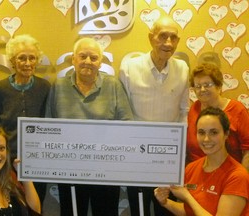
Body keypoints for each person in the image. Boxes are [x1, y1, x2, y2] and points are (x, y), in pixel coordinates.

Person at [46, 37, 133, 216]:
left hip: (106, 169)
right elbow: (48, 126)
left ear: (100, 63)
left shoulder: (113, 85)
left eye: (93, 58)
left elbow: (127, 125)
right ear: (73, 60)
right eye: (82, 56)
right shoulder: (59, 86)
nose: (88, 61)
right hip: (69, 169)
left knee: (106, 212)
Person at [119, 16, 189, 216]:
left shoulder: (183, 68)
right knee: (138, 207)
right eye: (162, 36)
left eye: (173, 38)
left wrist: (179, 147)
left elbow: (184, 110)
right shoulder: (130, 67)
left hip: (169, 156)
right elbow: (124, 113)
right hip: (137, 154)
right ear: (151, 38)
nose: (168, 43)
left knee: (166, 208)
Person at [0, 34, 51, 207]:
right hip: (7, 159)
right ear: (12, 61)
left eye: (32, 58)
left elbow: (49, 123)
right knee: (12, 203)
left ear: (37, 61)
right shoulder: (0, 89)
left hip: (38, 158)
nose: (27, 63)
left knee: (36, 203)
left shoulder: (44, 87)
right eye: (22, 58)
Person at [154, 107, 249, 216]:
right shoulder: (191, 168)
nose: (206, 139)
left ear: (226, 134)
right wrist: (165, 202)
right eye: (201, 132)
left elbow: (192, 204)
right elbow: (190, 211)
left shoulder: (237, 176)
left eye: (214, 132)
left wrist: (187, 197)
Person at [187, 63, 249, 171]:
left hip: (228, 175)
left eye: (207, 85)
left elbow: (248, 149)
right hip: (197, 175)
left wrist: (242, 178)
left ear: (219, 86)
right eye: (198, 86)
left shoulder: (237, 110)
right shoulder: (193, 109)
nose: (202, 89)